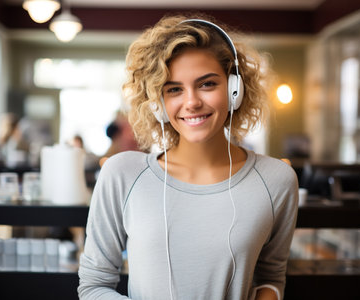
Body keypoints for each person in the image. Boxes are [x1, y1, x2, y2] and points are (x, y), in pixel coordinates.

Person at [78, 14, 298, 300]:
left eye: (207, 84)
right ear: (158, 103)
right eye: (174, 89)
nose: (192, 102)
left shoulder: (276, 180)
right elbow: (94, 286)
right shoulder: (122, 174)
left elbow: (271, 277)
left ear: (235, 91)